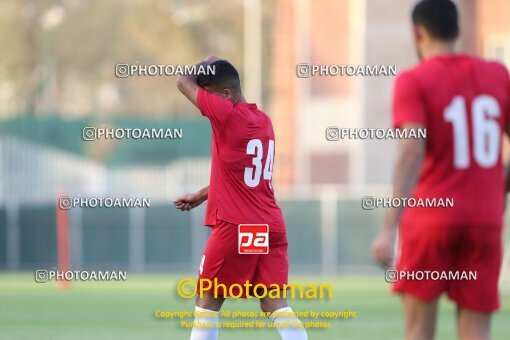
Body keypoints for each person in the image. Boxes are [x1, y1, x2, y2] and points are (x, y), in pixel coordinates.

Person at [371, 0, 510, 339]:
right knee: (477, 331)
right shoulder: (498, 75)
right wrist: (499, 190)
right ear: (458, 30)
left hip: (431, 220)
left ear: (417, 33)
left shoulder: (413, 80)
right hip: (485, 221)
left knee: (419, 331)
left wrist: (389, 228)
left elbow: (411, 151)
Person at [175, 55, 308, 340]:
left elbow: (182, 82)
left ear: (226, 94)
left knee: (207, 302)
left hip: (236, 226)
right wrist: (202, 195)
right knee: (275, 303)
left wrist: (206, 61)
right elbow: (242, 172)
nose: (205, 107)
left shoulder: (228, 115)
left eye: (207, 97)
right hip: (269, 226)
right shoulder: (264, 121)